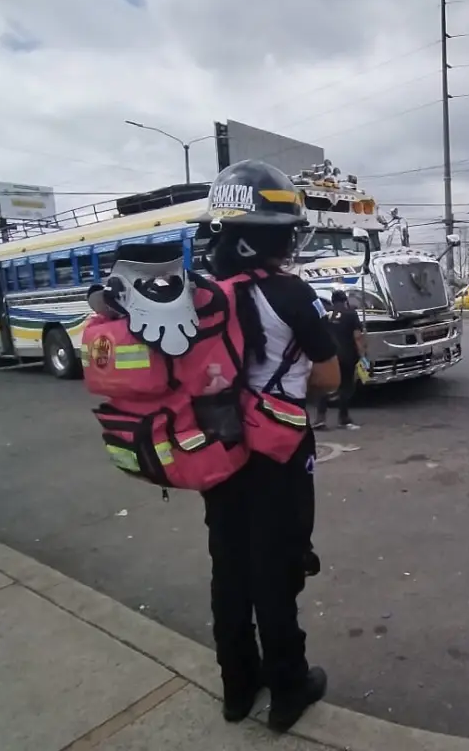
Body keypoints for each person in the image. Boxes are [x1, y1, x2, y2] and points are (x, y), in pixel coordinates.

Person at [188, 160, 341, 732]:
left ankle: (236, 687)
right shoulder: (290, 293)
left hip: (215, 449)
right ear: (271, 234)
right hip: (276, 452)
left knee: (228, 568)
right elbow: (326, 380)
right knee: (276, 568)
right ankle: (287, 688)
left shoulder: (201, 296)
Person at [315, 289, 365, 430]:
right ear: (345, 301)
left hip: (328, 355)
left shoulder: (325, 313)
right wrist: (362, 354)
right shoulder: (351, 314)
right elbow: (357, 336)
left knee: (324, 387)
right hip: (346, 356)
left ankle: (320, 419)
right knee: (345, 387)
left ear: (332, 300)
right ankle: (344, 419)